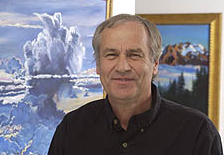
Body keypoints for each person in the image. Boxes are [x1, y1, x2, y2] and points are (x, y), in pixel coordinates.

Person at [48, 14, 223, 155]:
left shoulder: (197, 132)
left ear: (155, 64)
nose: (122, 67)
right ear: (98, 66)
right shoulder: (72, 128)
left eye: (134, 55)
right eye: (111, 55)